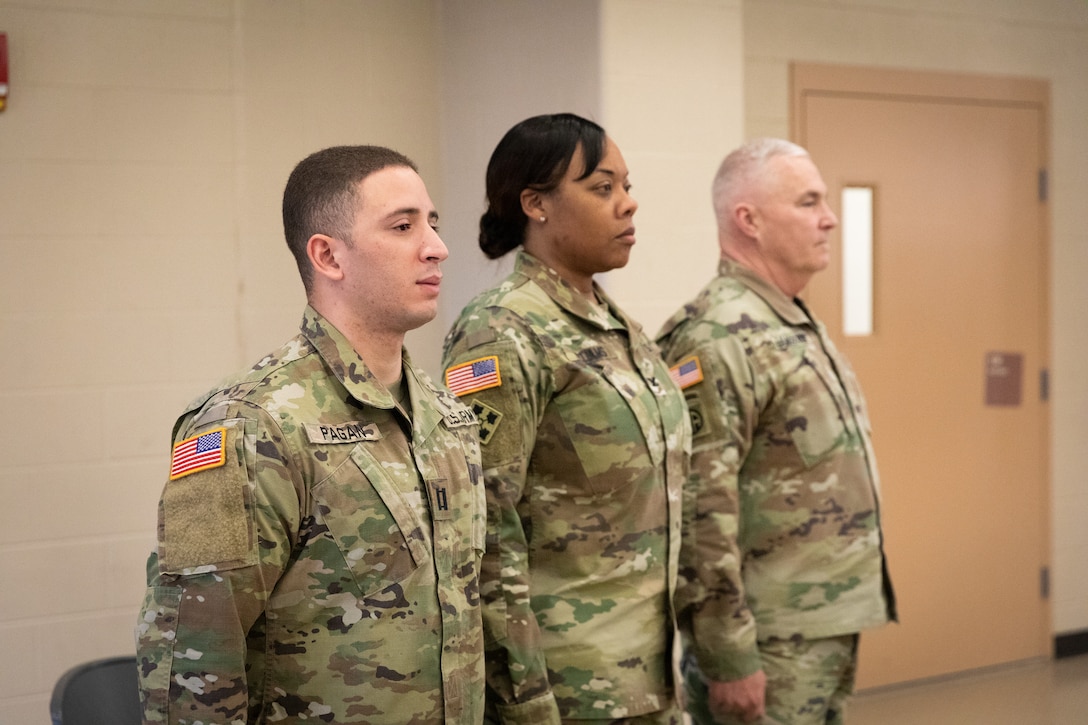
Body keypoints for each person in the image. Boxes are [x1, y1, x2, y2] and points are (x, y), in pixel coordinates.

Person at [135, 145, 486, 724]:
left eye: (433, 223)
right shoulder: (249, 424)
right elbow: (189, 661)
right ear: (327, 255)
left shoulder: (448, 419)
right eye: (403, 226)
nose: (437, 247)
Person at [441, 113, 689, 724]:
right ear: (536, 204)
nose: (628, 206)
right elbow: (484, 533)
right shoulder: (500, 331)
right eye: (603, 188)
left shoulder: (617, 325)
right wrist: (523, 702)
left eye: (627, 187)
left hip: (651, 673)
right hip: (569, 686)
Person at [656, 138, 896, 725]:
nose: (830, 218)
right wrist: (727, 654)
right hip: (767, 640)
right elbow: (697, 513)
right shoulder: (717, 335)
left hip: (820, 624)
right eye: (809, 202)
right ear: (749, 220)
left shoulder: (787, 318)